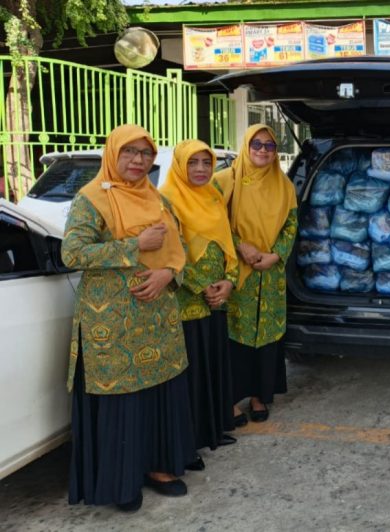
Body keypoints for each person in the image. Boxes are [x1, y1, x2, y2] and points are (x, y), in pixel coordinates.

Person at [63, 124, 195, 512]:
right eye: (129, 152)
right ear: (113, 154)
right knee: (124, 401)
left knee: (158, 393)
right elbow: (72, 254)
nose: (138, 161)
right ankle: (122, 482)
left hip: (157, 319)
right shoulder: (90, 200)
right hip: (113, 324)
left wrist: (168, 273)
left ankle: (160, 467)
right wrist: (133, 246)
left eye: (145, 153)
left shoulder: (157, 198)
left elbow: (179, 246)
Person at [160, 140, 239, 467]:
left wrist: (229, 281)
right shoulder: (167, 200)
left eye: (207, 163)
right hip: (186, 299)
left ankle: (214, 429)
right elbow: (170, 252)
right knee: (190, 371)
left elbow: (227, 242)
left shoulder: (214, 196)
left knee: (213, 362)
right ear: (180, 165)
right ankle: (190, 441)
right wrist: (201, 286)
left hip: (216, 297)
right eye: (193, 163)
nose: (201, 170)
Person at [215, 124, 297, 425]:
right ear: (246, 146)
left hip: (270, 274)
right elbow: (214, 222)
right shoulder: (225, 181)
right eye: (256, 145)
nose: (263, 151)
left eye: (269, 146)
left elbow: (291, 225)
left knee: (268, 340)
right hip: (237, 271)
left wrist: (276, 254)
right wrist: (241, 247)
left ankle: (260, 395)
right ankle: (233, 400)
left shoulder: (284, 185)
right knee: (234, 337)